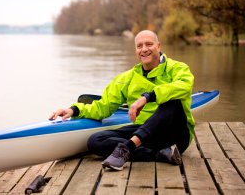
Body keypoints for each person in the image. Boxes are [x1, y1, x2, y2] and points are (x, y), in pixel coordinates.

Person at [49, 30, 195, 171]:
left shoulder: (178, 68)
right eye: (139, 46)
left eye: (149, 44)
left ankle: (127, 148)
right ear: (136, 50)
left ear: (159, 46)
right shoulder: (127, 78)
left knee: (172, 101)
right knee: (95, 141)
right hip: (144, 133)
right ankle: (160, 154)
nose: (144, 49)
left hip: (175, 135)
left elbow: (184, 86)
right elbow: (103, 106)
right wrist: (74, 110)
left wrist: (147, 97)